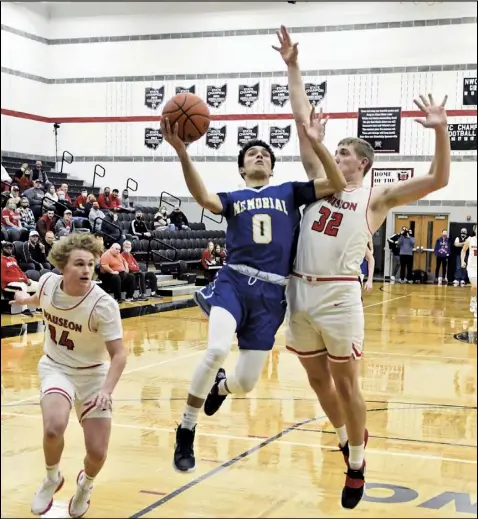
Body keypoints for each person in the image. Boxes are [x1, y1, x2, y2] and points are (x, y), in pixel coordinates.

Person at [275, 25, 450, 510]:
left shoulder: (375, 197)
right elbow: (300, 119)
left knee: (347, 382)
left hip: (337, 296)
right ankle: (345, 434)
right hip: (300, 294)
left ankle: (356, 462)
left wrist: (441, 132)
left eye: (345, 152)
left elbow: (438, 178)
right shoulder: (318, 181)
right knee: (315, 381)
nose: (336, 155)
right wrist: (292, 67)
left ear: (363, 163)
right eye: (337, 151)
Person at [161, 101, 347, 474]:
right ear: (242, 167)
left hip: (272, 295)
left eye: (265, 154)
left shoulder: (290, 191)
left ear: (272, 166)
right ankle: (186, 428)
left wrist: (318, 144)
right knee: (215, 349)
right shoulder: (233, 198)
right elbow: (203, 198)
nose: (259, 156)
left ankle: (220, 388)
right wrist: (183, 153)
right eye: (251, 154)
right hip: (233, 282)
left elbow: (338, 183)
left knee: (244, 382)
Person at [9, 233, 126, 517]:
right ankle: (52, 478)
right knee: (53, 427)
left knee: (97, 453)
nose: (87, 270)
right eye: (79, 264)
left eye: (90, 264)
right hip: (56, 367)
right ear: (63, 266)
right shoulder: (49, 282)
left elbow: (119, 355)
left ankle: (86, 485)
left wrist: (106, 391)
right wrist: (24, 298)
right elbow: (40, 298)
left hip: (93, 375)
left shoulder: (103, 305)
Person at [1, 241, 39, 316]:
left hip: (20, 281)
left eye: (10, 248)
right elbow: (2, 278)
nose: (9, 250)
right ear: (2, 249)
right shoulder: (1, 261)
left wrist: (26, 279)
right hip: (7, 285)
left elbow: (20, 271)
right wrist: (18, 279)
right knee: (22, 286)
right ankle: (24, 309)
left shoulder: (13, 259)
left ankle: (38, 307)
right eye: (7, 248)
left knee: (38, 285)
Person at [461, 225, 477, 317]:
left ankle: (476, 308)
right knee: (474, 286)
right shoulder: (470, 240)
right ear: (475, 230)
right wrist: (462, 261)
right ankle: (473, 299)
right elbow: (463, 251)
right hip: (472, 267)